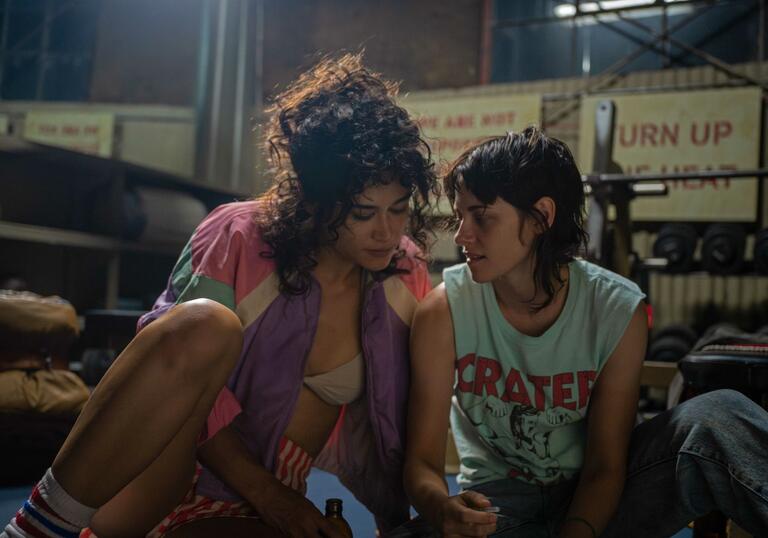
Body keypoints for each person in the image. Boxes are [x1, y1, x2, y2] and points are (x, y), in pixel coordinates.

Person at [3, 53, 437, 538]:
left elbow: (390, 423)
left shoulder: (404, 273)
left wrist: (401, 525)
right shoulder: (237, 233)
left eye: (398, 209)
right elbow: (178, 373)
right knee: (203, 323)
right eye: (362, 213)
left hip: (247, 504)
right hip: (153, 469)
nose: (385, 231)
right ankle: (32, 531)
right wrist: (273, 497)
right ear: (316, 199)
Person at [399, 126, 768, 537]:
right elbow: (422, 466)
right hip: (498, 507)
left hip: (604, 497)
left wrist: (577, 531)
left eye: (481, 217)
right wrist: (442, 509)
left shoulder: (616, 309)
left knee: (715, 416)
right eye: (460, 215)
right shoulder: (444, 310)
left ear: (541, 216)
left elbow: (605, 467)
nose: (461, 235)